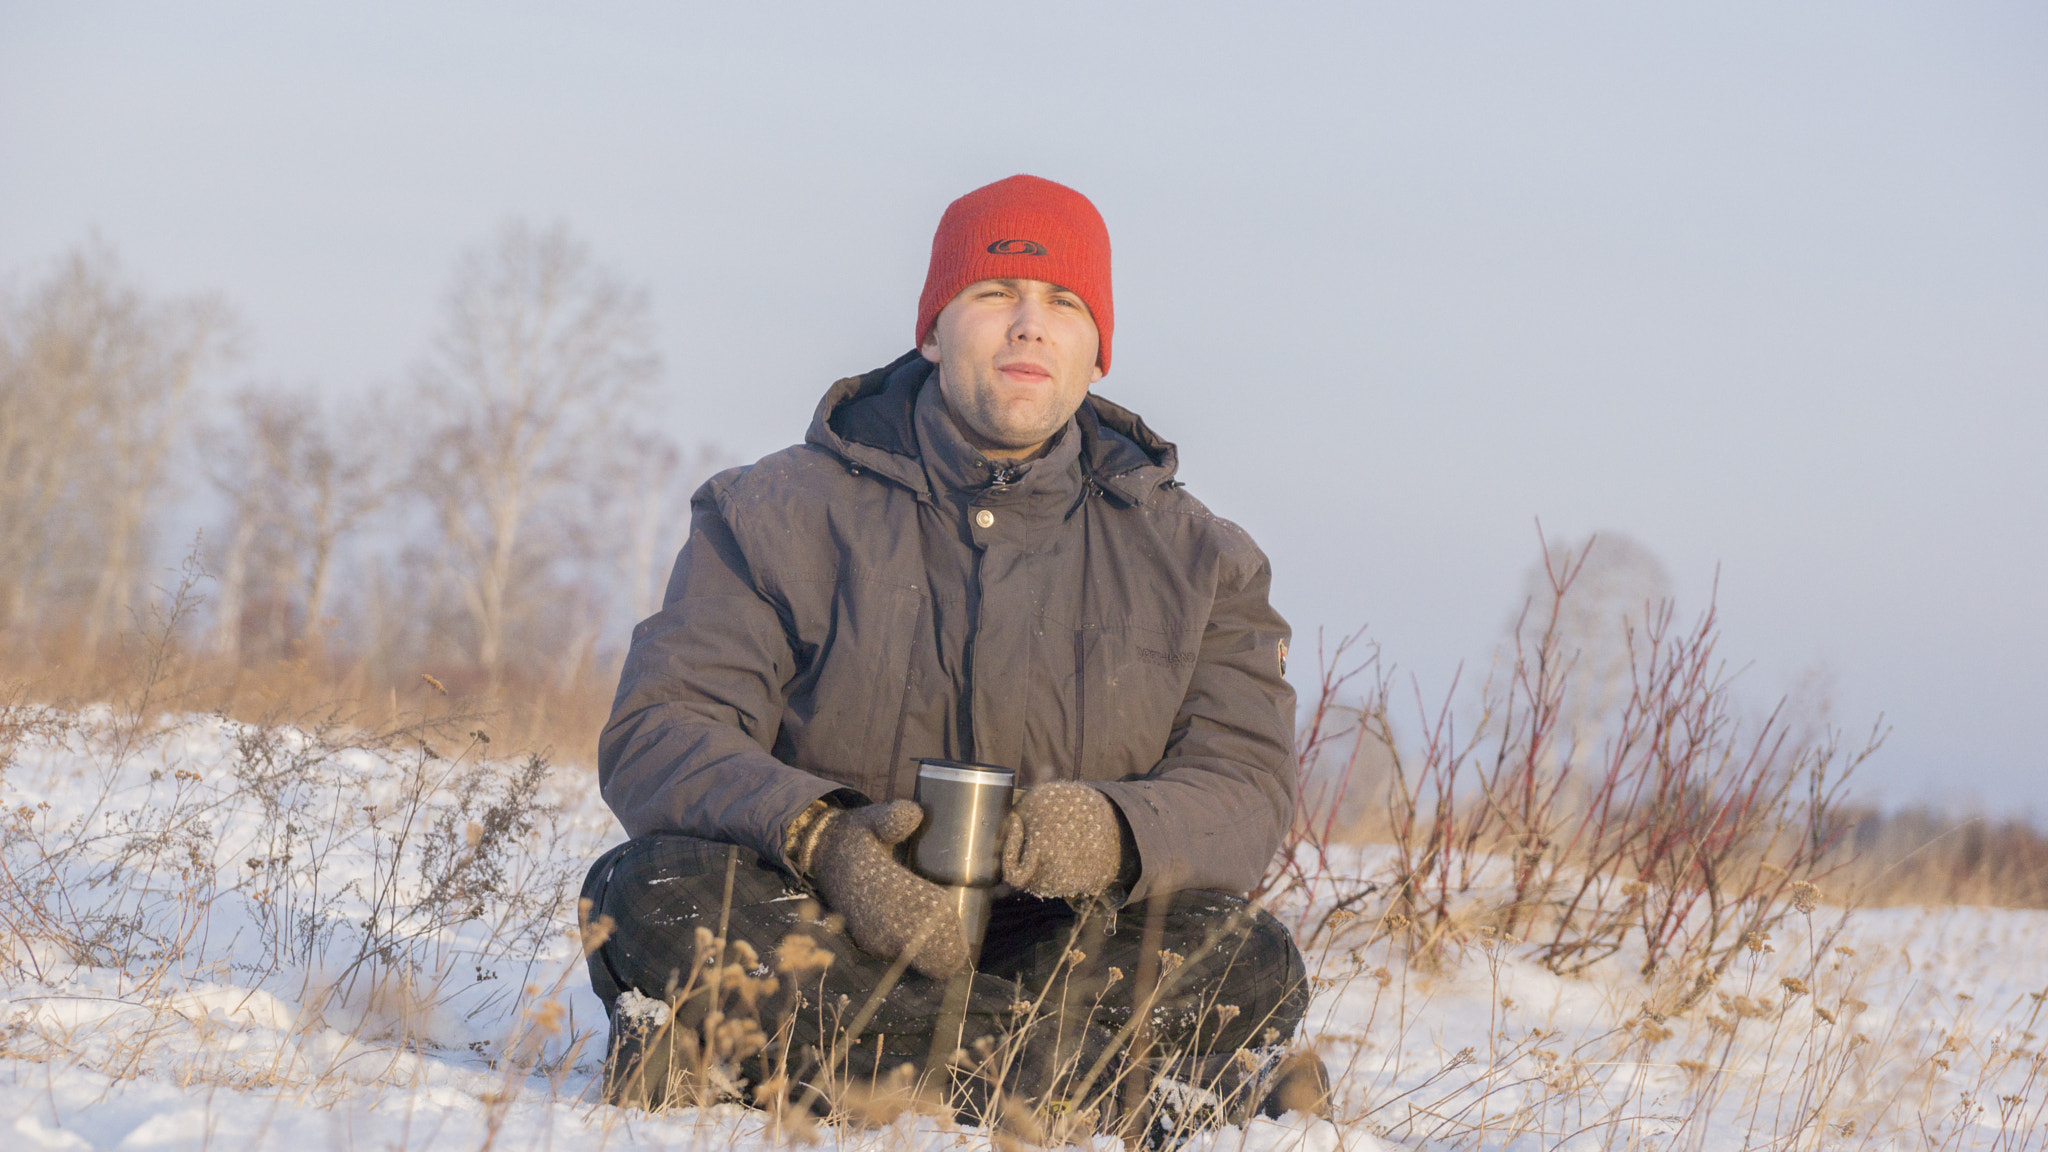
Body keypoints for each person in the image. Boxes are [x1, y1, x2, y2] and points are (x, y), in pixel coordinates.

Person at [581, 174, 1322, 1139]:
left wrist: (1114, 833)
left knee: (1245, 953)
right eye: (993, 295)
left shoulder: (1200, 559)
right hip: (826, 929)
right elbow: (660, 730)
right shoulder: (771, 513)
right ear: (932, 330)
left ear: (1097, 352)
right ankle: (1085, 1092)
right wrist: (824, 840)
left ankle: (784, 1066)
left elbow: (1245, 788)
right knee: (648, 889)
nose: (1029, 326)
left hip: (1063, 944)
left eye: (1063, 304)